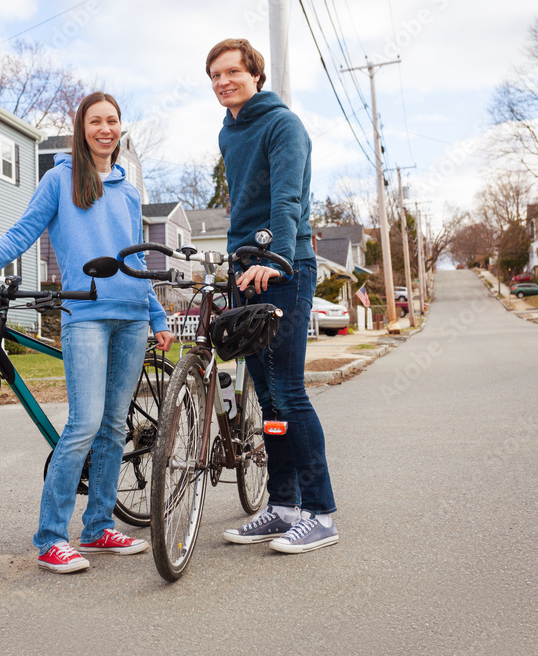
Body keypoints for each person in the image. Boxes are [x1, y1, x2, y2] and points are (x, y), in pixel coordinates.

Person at [0, 91, 173, 574]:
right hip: (87, 315)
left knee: (114, 427)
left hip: (133, 317)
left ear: (120, 129)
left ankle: (98, 528)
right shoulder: (59, 180)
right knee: (84, 425)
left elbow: (137, 260)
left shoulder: (129, 189)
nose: (105, 129)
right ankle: (51, 538)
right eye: (96, 121)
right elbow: (20, 235)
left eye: (113, 121)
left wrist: (158, 316)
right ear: (81, 128)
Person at [206, 39, 338, 553]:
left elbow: (287, 199)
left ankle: (321, 512)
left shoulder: (284, 125)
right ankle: (283, 506)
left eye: (232, 71)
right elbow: (242, 202)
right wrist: (241, 259)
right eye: (215, 75)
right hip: (245, 270)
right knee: (266, 398)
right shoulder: (228, 132)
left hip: (284, 267)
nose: (223, 81)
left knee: (288, 392)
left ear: (255, 74)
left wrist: (276, 258)